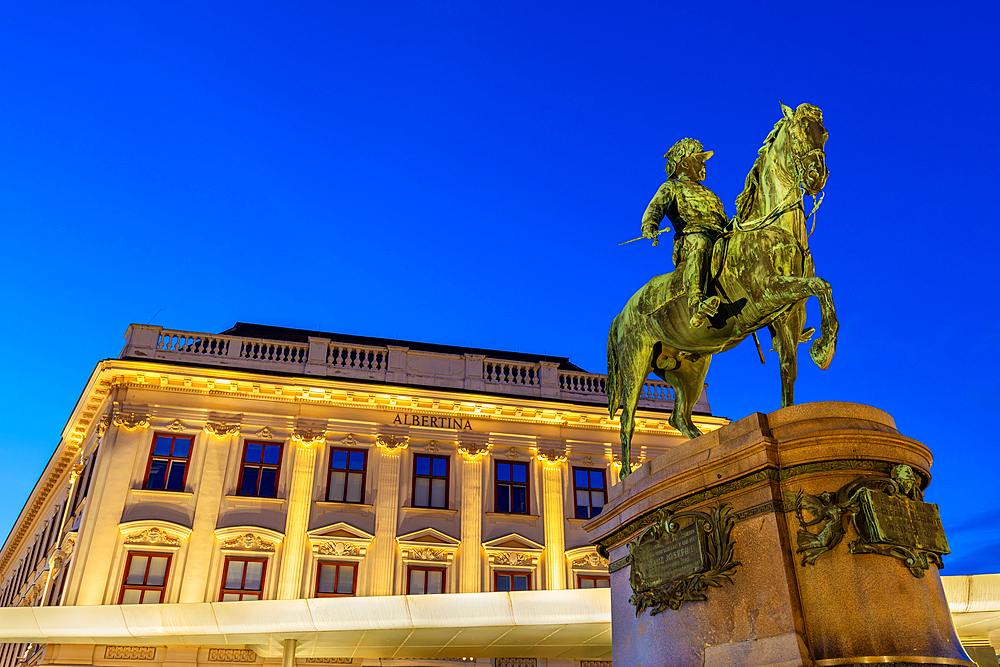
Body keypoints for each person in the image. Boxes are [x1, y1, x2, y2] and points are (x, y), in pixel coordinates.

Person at [641, 138, 728, 328]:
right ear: (686, 162)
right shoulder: (671, 187)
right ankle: (695, 303)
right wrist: (650, 224)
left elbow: (723, 219)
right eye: (700, 160)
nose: (704, 164)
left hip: (719, 237)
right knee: (701, 243)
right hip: (690, 238)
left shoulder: (711, 194)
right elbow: (655, 209)